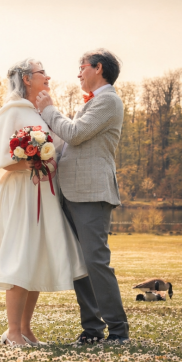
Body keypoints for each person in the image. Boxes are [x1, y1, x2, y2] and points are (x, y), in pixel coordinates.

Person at [0, 58, 87, 346]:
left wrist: (47, 160)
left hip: (45, 194)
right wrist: (32, 163)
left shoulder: (41, 112)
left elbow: (59, 147)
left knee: (35, 258)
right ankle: (13, 332)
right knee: (19, 259)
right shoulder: (12, 113)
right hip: (21, 194)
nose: (49, 77)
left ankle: (26, 330)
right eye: (43, 72)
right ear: (27, 79)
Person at [35, 49, 130, 344]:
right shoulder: (93, 103)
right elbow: (69, 144)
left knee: (95, 261)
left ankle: (117, 331)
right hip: (73, 192)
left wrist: (50, 109)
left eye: (81, 67)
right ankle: (91, 330)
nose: (78, 73)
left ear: (97, 68)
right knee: (81, 264)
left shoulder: (108, 101)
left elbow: (75, 134)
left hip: (91, 194)